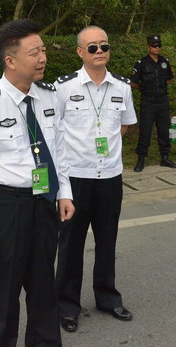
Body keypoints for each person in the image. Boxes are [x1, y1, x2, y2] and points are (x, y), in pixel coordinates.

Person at [0, 19, 75, 347]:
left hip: (43, 202)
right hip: (6, 206)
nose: (43, 58)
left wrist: (63, 191)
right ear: (10, 60)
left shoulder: (49, 96)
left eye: (43, 50)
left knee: (43, 290)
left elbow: (59, 148)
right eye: (34, 52)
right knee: (2, 294)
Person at [54, 26, 137, 333]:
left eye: (104, 45)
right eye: (92, 47)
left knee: (107, 241)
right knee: (71, 244)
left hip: (110, 178)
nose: (99, 51)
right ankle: (66, 305)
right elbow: (54, 132)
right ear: (80, 53)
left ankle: (107, 297)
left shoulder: (122, 87)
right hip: (76, 178)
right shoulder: (63, 87)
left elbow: (124, 126)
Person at [130, 35, 176, 172]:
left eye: (159, 45)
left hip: (162, 100)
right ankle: (141, 159)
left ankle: (165, 157)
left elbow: (169, 79)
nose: (157, 48)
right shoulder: (142, 63)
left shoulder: (164, 61)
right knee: (145, 130)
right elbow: (133, 82)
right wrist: (145, 89)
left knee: (164, 130)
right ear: (148, 47)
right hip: (148, 101)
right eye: (154, 46)